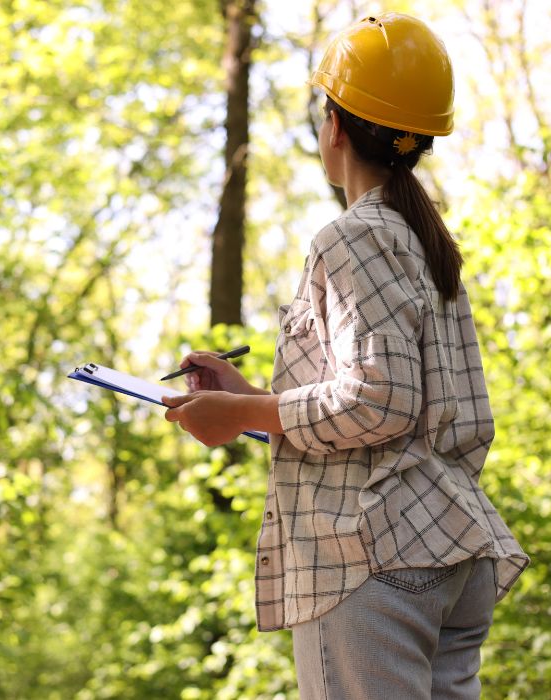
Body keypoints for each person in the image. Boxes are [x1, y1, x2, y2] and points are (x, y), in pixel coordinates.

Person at [163, 12, 529, 699]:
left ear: (334, 125)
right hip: (447, 548)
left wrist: (239, 411)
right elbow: (388, 402)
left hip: (373, 563)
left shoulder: (352, 236)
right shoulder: (426, 240)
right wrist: (243, 400)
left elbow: (380, 401)